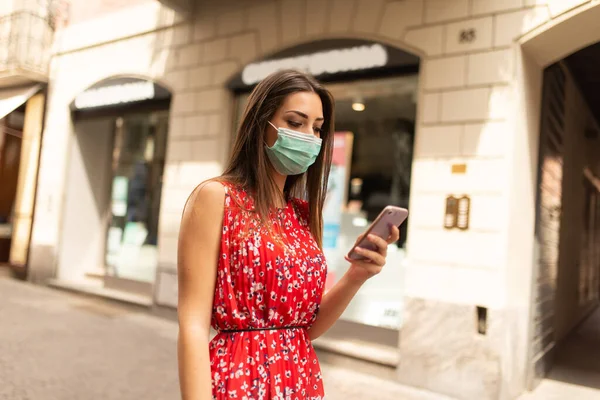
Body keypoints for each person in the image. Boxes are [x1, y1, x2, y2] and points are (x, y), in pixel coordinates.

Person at [177, 69, 400, 400]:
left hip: (300, 382)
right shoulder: (217, 197)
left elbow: (303, 328)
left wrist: (357, 275)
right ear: (260, 125)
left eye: (317, 128)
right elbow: (192, 326)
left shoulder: (300, 213)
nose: (309, 135)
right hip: (241, 382)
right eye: (296, 122)